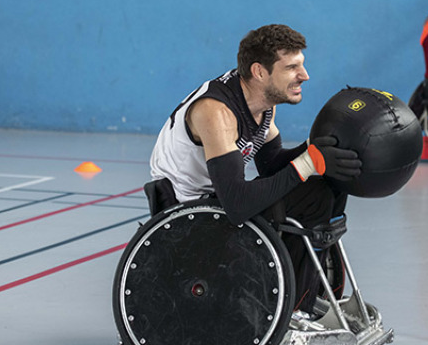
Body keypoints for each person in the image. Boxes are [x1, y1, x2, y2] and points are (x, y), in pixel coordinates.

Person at [148, 24, 362, 314]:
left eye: (302, 65)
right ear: (260, 72)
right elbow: (236, 204)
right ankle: (293, 313)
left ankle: (317, 297)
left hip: (216, 202)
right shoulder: (217, 112)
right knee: (312, 196)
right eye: (291, 68)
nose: (304, 75)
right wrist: (306, 163)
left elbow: (272, 164)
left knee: (328, 181)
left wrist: (317, 148)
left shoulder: (260, 102)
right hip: (189, 218)